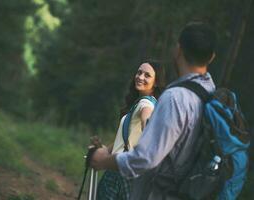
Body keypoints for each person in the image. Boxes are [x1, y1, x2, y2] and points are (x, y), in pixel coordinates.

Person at [90, 21, 217, 200]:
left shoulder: (175, 98)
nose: (141, 77)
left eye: (147, 75)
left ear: (178, 49)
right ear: (211, 57)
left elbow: (145, 158)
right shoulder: (211, 94)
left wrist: (102, 161)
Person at [97, 61, 165, 200]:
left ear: (156, 82)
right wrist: (105, 150)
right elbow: (125, 140)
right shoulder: (149, 103)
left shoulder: (146, 104)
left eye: (147, 75)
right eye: (139, 72)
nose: (140, 77)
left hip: (118, 172)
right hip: (128, 172)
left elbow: (147, 123)